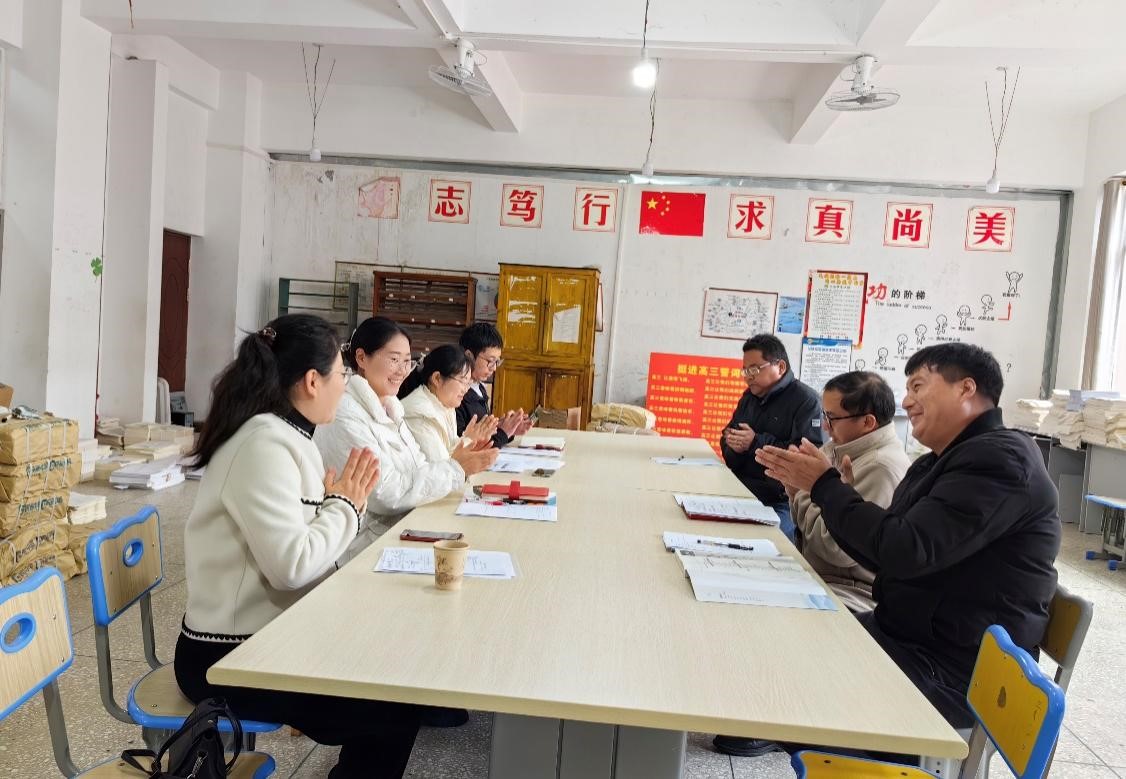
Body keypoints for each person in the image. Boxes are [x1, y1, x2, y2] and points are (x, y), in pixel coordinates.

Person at [755, 343, 1060, 731]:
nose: (907, 401)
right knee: (775, 641)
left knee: (781, 682)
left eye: (918, 386)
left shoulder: (1000, 461)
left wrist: (825, 488)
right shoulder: (938, 462)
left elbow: (906, 550)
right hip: (908, 637)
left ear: (966, 389)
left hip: (953, 673)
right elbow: (886, 550)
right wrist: (833, 495)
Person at [174, 314, 420, 779]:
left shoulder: (290, 436)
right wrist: (345, 506)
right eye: (341, 374)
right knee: (395, 706)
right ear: (312, 381)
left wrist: (337, 507)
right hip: (228, 657)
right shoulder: (262, 445)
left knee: (398, 672)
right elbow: (291, 566)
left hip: (274, 637)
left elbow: (306, 543)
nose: (345, 385)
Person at [314, 317, 498, 563]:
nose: (402, 370)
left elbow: (419, 466)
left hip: (398, 532)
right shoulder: (346, 414)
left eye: (407, 361)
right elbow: (385, 494)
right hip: (362, 549)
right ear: (361, 358)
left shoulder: (392, 409)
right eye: (394, 360)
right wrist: (457, 467)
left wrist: (460, 462)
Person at [792, 371, 911, 613]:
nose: (825, 426)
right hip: (822, 575)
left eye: (832, 418)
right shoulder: (839, 446)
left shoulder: (880, 467)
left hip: (852, 591)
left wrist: (801, 490)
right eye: (824, 415)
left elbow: (836, 550)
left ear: (868, 422)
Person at [720, 333, 822, 541]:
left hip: (781, 500)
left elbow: (806, 459)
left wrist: (754, 443)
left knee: (768, 543)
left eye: (754, 369)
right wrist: (733, 445)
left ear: (780, 367)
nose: (748, 376)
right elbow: (728, 437)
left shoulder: (807, 401)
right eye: (745, 370)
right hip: (739, 489)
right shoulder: (749, 397)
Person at [399, 344, 499, 464]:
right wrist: (469, 439)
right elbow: (440, 466)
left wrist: (469, 439)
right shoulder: (419, 414)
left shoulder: (445, 404)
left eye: (468, 383)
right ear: (437, 378)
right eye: (462, 381)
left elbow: (450, 450)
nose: (466, 389)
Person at [457, 322, 534, 447]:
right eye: (490, 361)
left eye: (497, 362)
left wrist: (507, 429)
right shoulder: (457, 395)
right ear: (469, 356)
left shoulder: (479, 388)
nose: (494, 368)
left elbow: (485, 434)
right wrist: (504, 433)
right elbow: (466, 446)